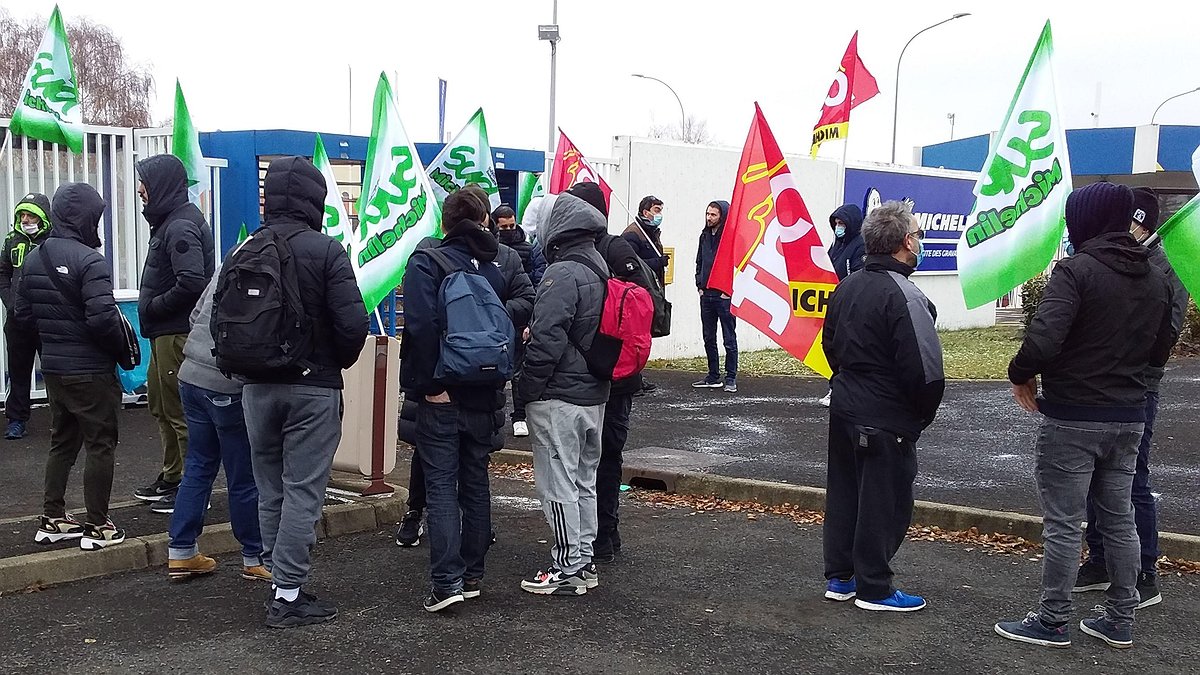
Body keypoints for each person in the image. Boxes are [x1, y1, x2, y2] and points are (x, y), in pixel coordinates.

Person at [995, 182, 1177, 650]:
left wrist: (1020, 374)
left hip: (1074, 416)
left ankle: (1052, 620)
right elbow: (1161, 347)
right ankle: (1120, 616)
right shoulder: (1156, 275)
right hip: (1129, 416)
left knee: (1062, 521)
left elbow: (1043, 340)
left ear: (1086, 220)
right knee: (1119, 519)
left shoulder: (1075, 271)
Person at [237, 156, 368, 628]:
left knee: (270, 488)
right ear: (316, 199)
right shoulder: (327, 250)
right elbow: (353, 324)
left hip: (255, 387)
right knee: (304, 491)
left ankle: (279, 581)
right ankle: (288, 596)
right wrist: (332, 362)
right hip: (311, 387)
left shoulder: (247, 246)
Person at [401, 188, 533, 612]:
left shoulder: (427, 262)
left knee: (441, 486)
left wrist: (428, 386)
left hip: (443, 390)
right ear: (484, 222)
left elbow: (420, 328)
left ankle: (446, 582)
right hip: (485, 389)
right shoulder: (494, 270)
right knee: (476, 483)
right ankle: (473, 574)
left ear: (444, 221)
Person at [822, 200, 944, 613]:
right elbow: (925, 372)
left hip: (847, 406)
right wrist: (919, 416)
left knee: (846, 494)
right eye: (918, 235)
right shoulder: (907, 296)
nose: (920, 242)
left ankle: (842, 576)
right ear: (907, 241)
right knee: (884, 502)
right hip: (887, 416)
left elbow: (831, 347)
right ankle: (874, 586)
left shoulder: (847, 286)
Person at [1073, 188, 1189, 610]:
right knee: (1092, 478)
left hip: (1137, 387)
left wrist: (1127, 365)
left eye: (1131, 223)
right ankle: (1101, 560)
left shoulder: (1164, 266)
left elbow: (1167, 331)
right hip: (1101, 386)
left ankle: (1144, 572)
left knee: (1132, 480)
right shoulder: (1115, 259)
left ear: (1143, 224)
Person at [16, 183, 127, 550]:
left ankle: (52, 518)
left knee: (61, 442)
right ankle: (98, 527)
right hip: (92, 370)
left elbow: (23, 314)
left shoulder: (34, 257)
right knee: (100, 444)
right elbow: (102, 319)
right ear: (86, 217)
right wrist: (121, 352)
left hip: (54, 368)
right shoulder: (90, 260)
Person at [516, 192, 610, 596]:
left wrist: (527, 389)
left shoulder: (561, 273)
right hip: (595, 394)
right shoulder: (601, 267)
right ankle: (583, 559)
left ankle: (565, 564)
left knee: (558, 484)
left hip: (560, 396)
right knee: (585, 480)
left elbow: (547, 340)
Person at [165, 265, 269, 583]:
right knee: (243, 475)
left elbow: (196, 314)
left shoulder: (233, 258)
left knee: (198, 464)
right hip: (227, 382)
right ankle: (255, 556)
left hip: (191, 373)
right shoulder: (274, 267)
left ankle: (182, 552)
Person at [566, 181, 645, 565]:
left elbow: (646, 309)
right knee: (592, 456)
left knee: (604, 455)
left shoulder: (614, 249)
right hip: (595, 373)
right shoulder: (579, 250)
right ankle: (595, 534)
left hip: (612, 373)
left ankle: (603, 533)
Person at [132, 155, 215, 512]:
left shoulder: (180, 226)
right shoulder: (172, 222)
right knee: (160, 404)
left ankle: (192, 488)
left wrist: (153, 307)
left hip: (176, 333)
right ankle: (172, 475)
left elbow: (192, 282)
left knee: (179, 411)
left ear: (161, 186)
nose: (139, 191)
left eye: (144, 184)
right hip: (164, 333)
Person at [1, 192, 52, 440]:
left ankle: (63, 420)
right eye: (22, 214)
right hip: (18, 320)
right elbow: (2, 273)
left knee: (54, 371)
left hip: (47, 319)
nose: (26, 219)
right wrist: (10, 303)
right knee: (18, 370)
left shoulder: (54, 241)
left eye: (31, 215)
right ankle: (16, 419)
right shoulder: (11, 240)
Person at [491, 203, 542, 437]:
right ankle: (495, 413)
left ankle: (519, 416)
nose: (509, 230)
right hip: (495, 320)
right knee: (496, 368)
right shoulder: (490, 251)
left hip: (518, 318)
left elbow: (533, 285)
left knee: (519, 370)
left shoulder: (526, 249)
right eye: (504, 227)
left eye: (512, 225)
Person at [819, 203, 866, 407]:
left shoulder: (860, 245)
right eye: (836, 223)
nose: (839, 227)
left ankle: (843, 389)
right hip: (833, 304)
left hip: (850, 305)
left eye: (842, 223)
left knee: (848, 349)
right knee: (831, 346)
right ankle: (834, 386)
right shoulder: (836, 245)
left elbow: (858, 274)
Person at [623, 195, 668, 396]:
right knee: (635, 337)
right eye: (656, 210)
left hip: (651, 290)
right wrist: (657, 262)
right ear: (645, 212)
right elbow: (632, 265)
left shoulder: (651, 233)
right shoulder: (633, 234)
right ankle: (631, 380)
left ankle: (638, 376)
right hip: (638, 292)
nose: (659, 215)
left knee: (646, 335)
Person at [693, 200, 737, 393]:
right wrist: (699, 284)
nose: (709, 218)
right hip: (706, 295)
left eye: (713, 215)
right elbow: (699, 261)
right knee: (708, 337)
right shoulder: (704, 236)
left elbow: (737, 265)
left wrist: (728, 291)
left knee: (729, 338)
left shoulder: (731, 238)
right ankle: (713, 376)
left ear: (722, 216)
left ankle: (731, 377)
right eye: (707, 214)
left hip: (724, 296)